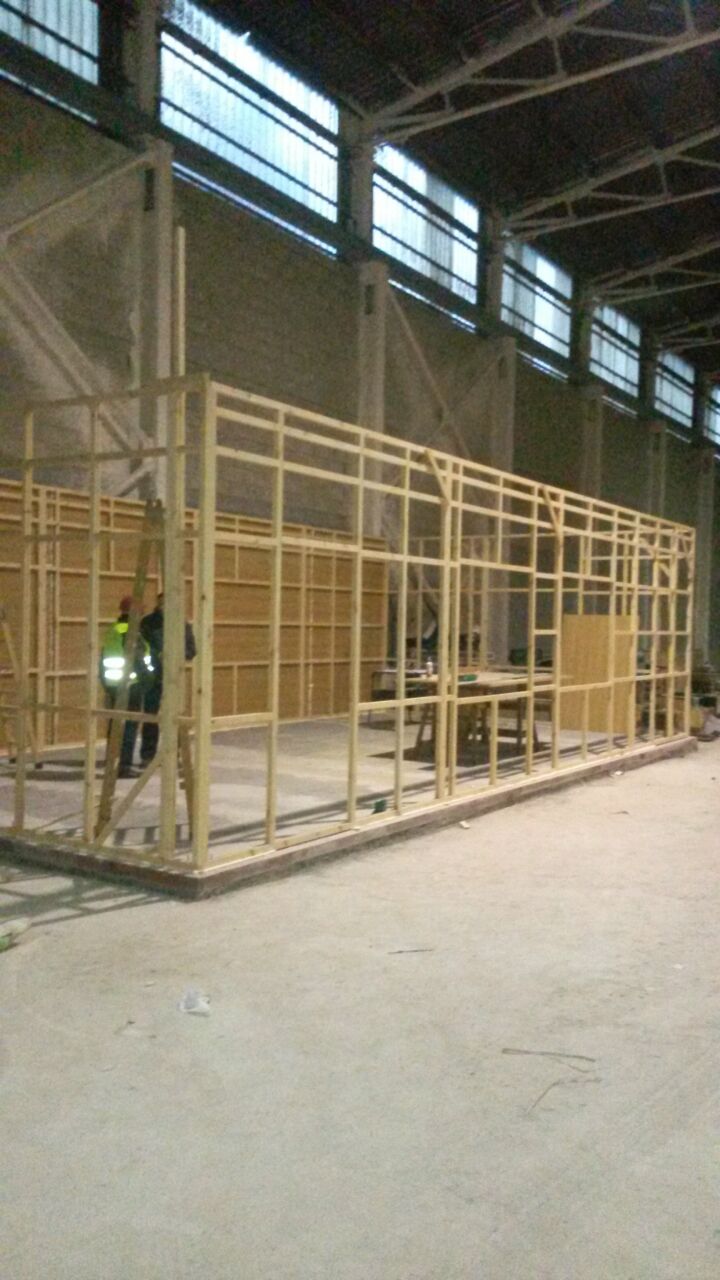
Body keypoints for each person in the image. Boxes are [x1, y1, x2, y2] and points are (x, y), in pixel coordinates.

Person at [100, 596, 155, 778]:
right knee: (129, 727)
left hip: (114, 685)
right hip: (131, 686)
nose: (143, 614)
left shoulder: (114, 630)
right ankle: (124, 766)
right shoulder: (130, 632)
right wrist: (148, 682)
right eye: (141, 610)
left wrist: (106, 684)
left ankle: (112, 762)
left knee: (115, 725)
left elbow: (102, 660)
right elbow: (137, 661)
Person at [140, 591, 197, 763]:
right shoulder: (148, 623)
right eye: (162, 603)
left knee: (176, 716)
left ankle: (175, 754)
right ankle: (148, 755)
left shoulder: (182, 624)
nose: (165, 607)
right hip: (152, 676)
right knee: (150, 716)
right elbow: (140, 647)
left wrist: (178, 656)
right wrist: (156, 656)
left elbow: (192, 650)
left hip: (174, 678)